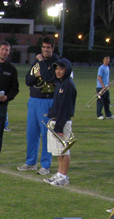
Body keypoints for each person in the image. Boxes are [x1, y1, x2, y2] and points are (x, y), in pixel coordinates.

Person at [18, 37, 58, 175]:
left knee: (46, 134)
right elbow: (28, 80)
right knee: (31, 133)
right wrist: (36, 74)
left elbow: (48, 77)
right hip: (33, 100)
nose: (45, 50)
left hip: (47, 101)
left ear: (53, 48)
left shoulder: (56, 63)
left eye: (48, 47)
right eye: (43, 47)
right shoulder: (36, 62)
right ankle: (31, 162)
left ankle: (45, 165)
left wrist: (41, 62)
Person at [43, 58, 77, 186]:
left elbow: (65, 108)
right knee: (58, 151)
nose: (58, 71)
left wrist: (59, 127)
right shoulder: (60, 83)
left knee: (64, 150)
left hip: (62, 122)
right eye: (56, 69)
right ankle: (59, 173)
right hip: (56, 120)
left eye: (61, 69)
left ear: (67, 70)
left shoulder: (68, 84)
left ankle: (64, 176)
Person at [95, 55, 114, 119]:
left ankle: (108, 115)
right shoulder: (101, 68)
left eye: (109, 58)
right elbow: (99, 77)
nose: (108, 60)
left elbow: (106, 77)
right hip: (101, 87)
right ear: (103, 59)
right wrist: (103, 86)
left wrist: (108, 83)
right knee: (100, 101)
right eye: (106, 58)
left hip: (106, 87)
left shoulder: (107, 67)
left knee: (107, 101)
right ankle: (99, 115)